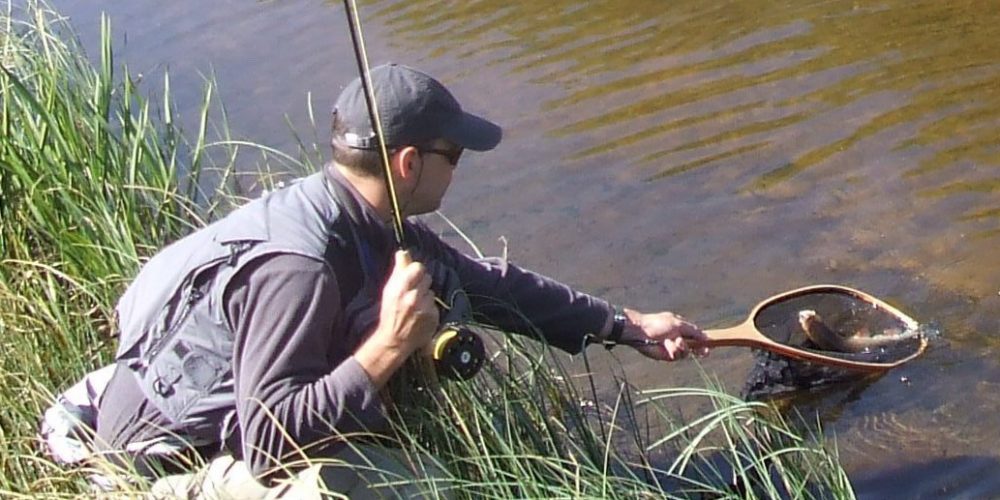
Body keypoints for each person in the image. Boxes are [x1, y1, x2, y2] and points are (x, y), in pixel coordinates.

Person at [87, 63, 708, 498]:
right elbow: (271, 445)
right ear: (408, 163)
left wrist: (625, 325)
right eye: (454, 156)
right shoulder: (299, 268)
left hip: (217, 430)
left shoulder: (363, 216)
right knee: (410, 486)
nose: (458, 169)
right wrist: (386, 346)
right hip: (156, 468)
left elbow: (488, 285)